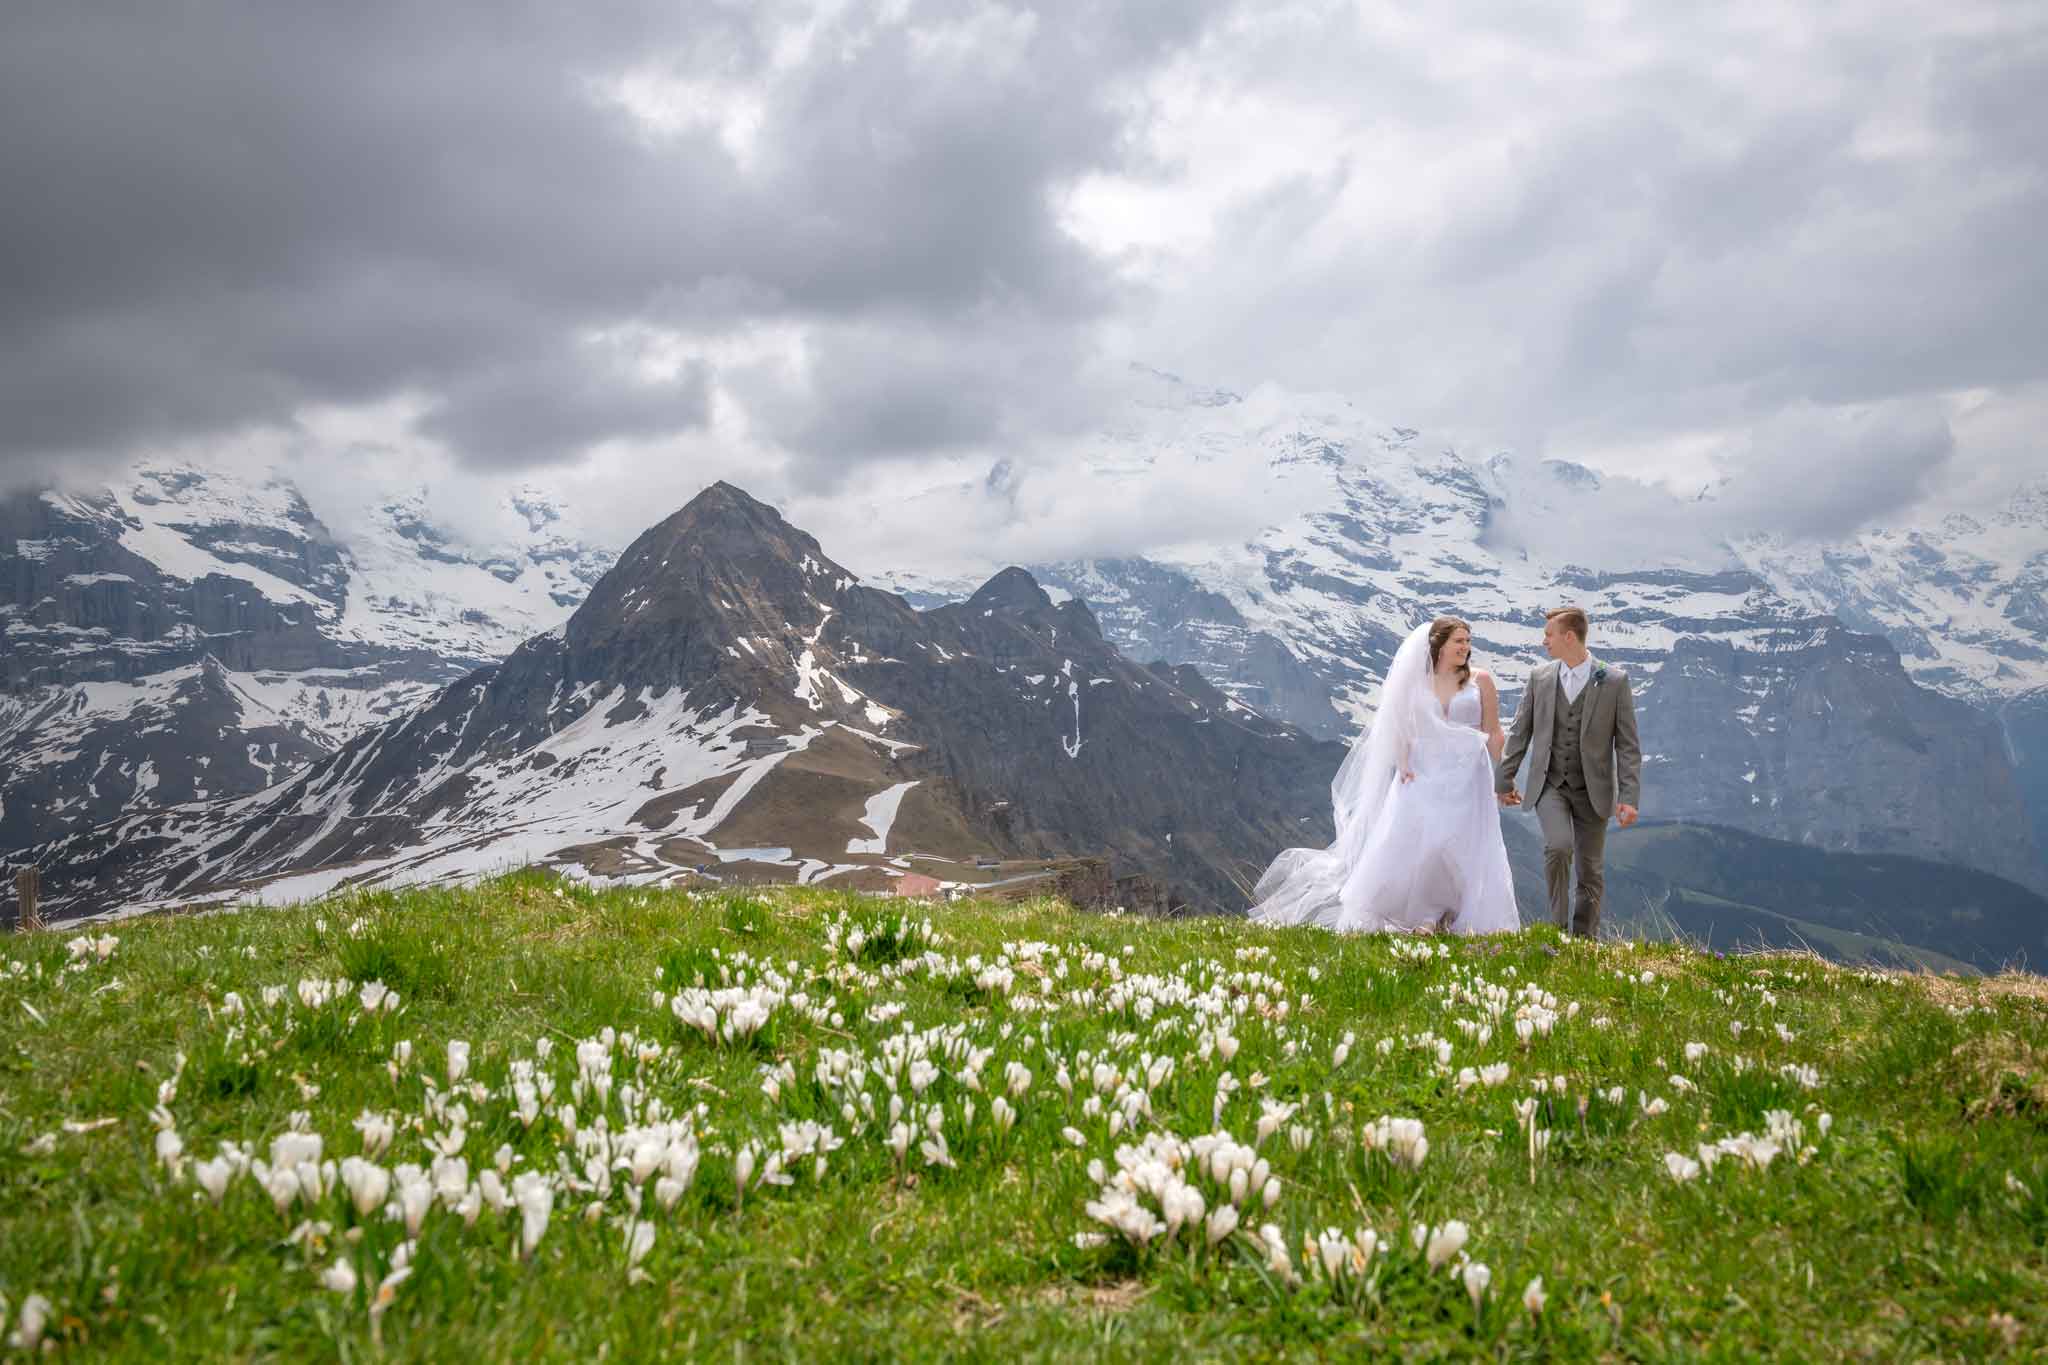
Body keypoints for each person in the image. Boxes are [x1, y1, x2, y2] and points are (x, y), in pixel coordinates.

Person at [1248, 617, 1519, 934]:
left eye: (1468, 641)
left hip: (1470, 774)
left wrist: (1505, 779)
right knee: (1424, 844)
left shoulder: (1481, 681)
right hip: (1424, 771)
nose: (1465, 647)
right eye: (1459, 641)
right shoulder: (1416, 681)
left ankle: (1453, 914)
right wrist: (1403, 762)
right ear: (1438, 644)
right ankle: (1426, 914)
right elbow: (1400, 724)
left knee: (1465, 846)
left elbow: (1494, 733)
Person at [1496, 605, 1642, 938]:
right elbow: (1521, 732)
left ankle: (1583, 938)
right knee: (1559, 846)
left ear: (1569, 636)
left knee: (1590, 869)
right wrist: (1504, 779)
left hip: (1595, 790)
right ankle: (1557, 930)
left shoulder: (1614, 681)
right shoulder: (1540, 678)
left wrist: (1629, 797)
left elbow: (1628, 746)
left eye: (1549, 635)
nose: (1544, 641)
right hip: (1551, 785)